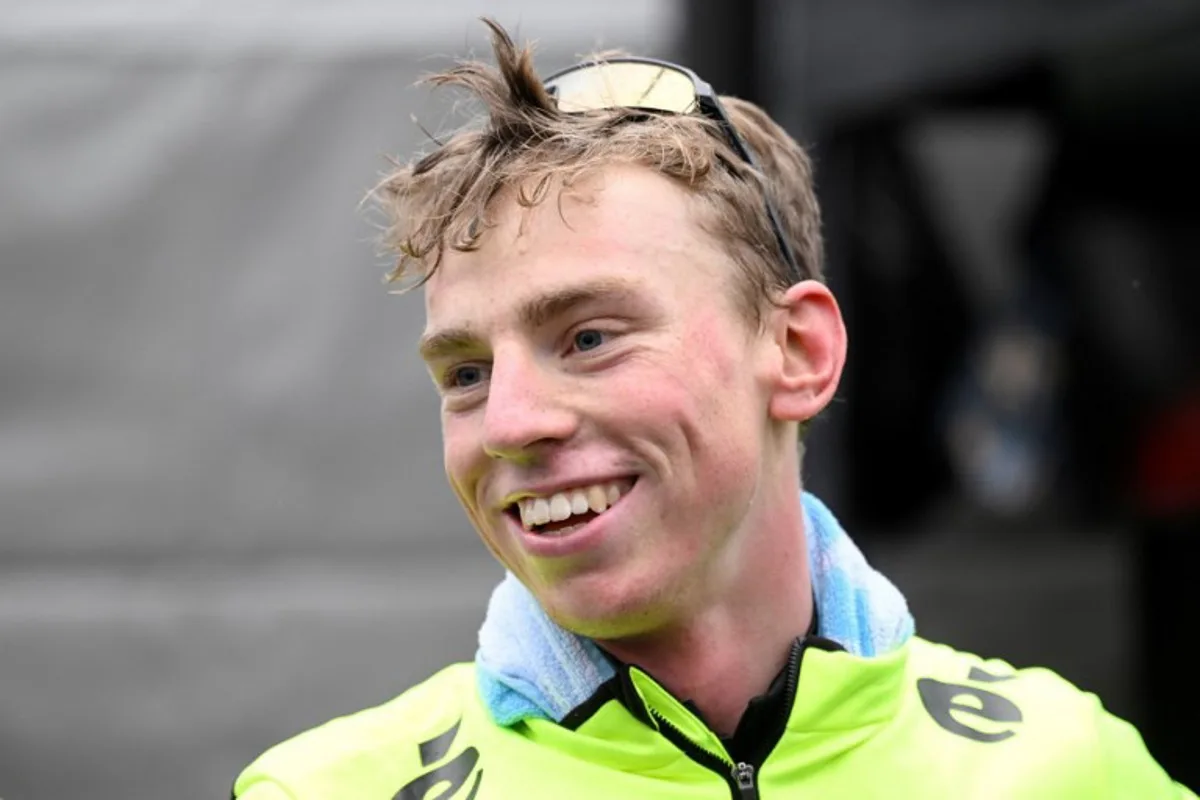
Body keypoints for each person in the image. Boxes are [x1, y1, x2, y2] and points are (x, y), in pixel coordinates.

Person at [231, 19, 1194, 799]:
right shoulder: (319, 791)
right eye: (466, 373)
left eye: (590, 338)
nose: (512, 423)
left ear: (798, 352)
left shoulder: (1070, 769)